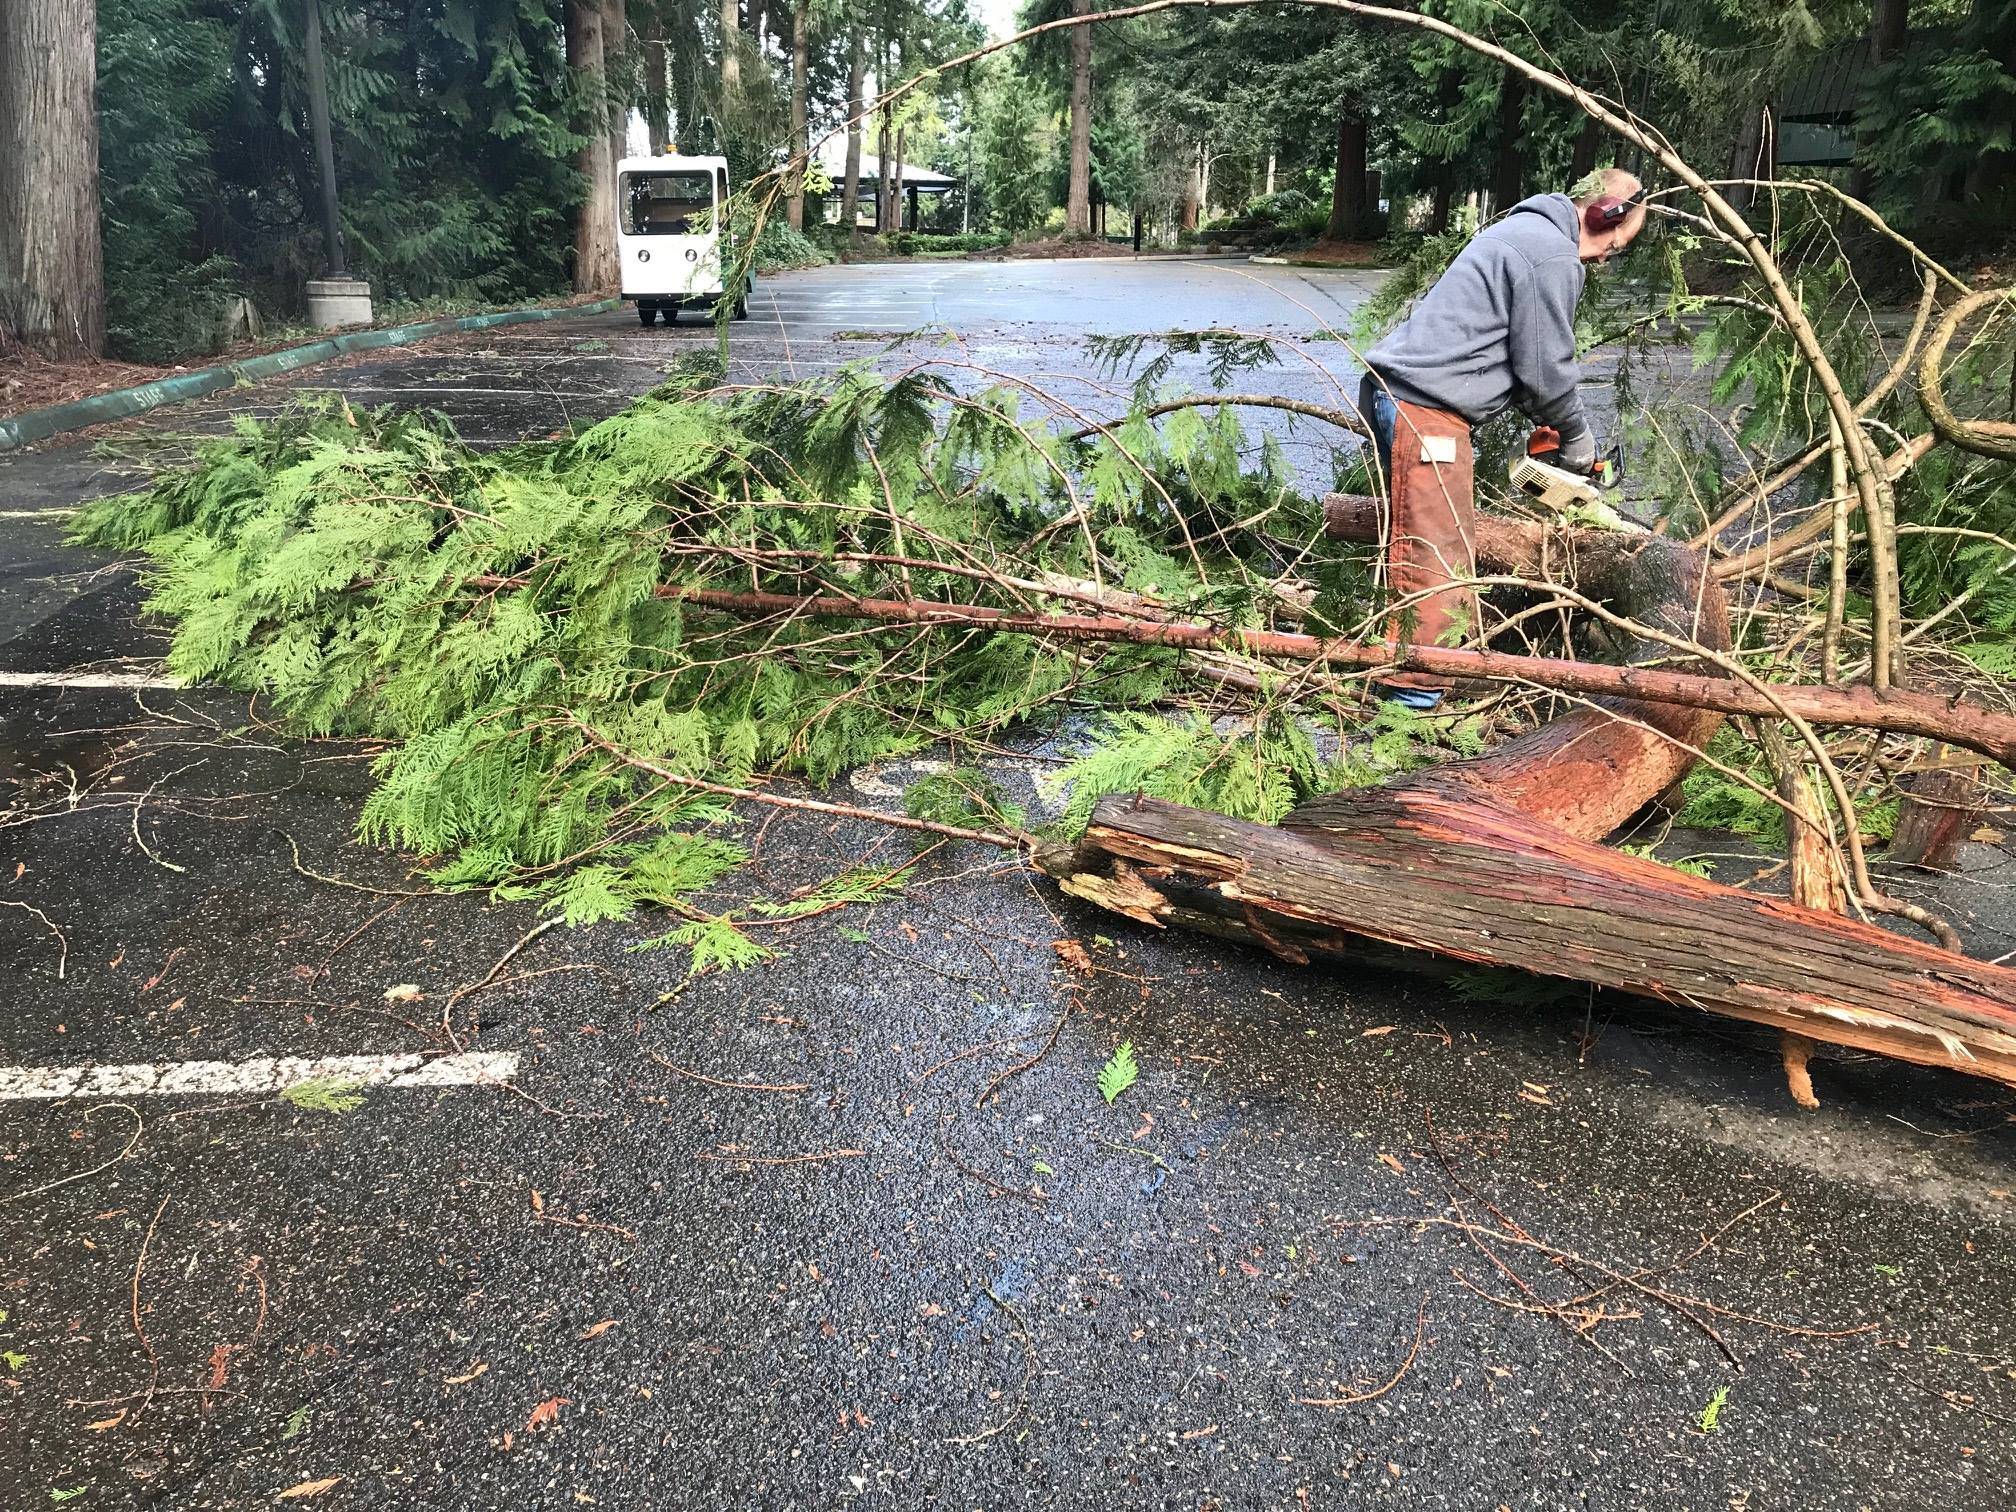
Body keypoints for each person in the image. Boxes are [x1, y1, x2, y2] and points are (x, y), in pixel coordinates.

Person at [1358, 167, 1647, 708]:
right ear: (1603, 213)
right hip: (1424, 410)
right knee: (1435, 560)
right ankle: (1409, 706)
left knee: (1427, 543)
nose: (1609, 256)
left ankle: (1406, 669)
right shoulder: (1549, 252)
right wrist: (1578, 439)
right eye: (1616, 242)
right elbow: (1546, 366)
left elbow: (1500, 345)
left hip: (1415, 401)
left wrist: (1537, 419)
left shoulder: (1528, 235)